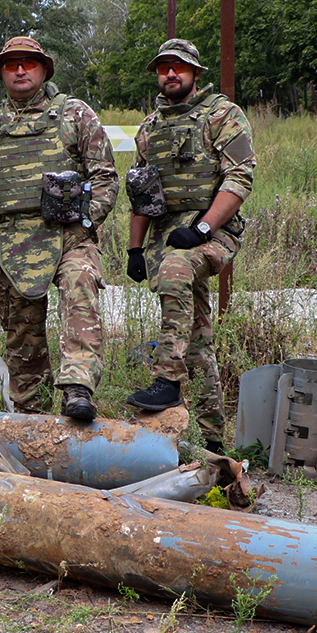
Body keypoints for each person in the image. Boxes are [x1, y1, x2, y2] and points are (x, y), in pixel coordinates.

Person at [0, 36, 118, 421]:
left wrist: (85, 222)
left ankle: (78, 388)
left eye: (28, 62)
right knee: (21, 337)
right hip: (9, 243)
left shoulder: (74, 115)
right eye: (11, 64)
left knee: (80, 285)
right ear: (2, 73)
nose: (20, 70)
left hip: (68, 237)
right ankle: (32, 419)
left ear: (43, 69)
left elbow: (105, 177)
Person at [124, 38, 256, 453]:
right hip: (167, 236)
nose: (170, 74)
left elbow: (239, 179)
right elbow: (143, 192)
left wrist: (202, 229)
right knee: (197, 338)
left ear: (195, 73)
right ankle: (215, 442)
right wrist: (134, 248)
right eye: (163, 67)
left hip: (212, 233)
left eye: (178, 67)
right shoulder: (150, 127)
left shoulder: (222, 115)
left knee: (176, 270)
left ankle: (166, 381)